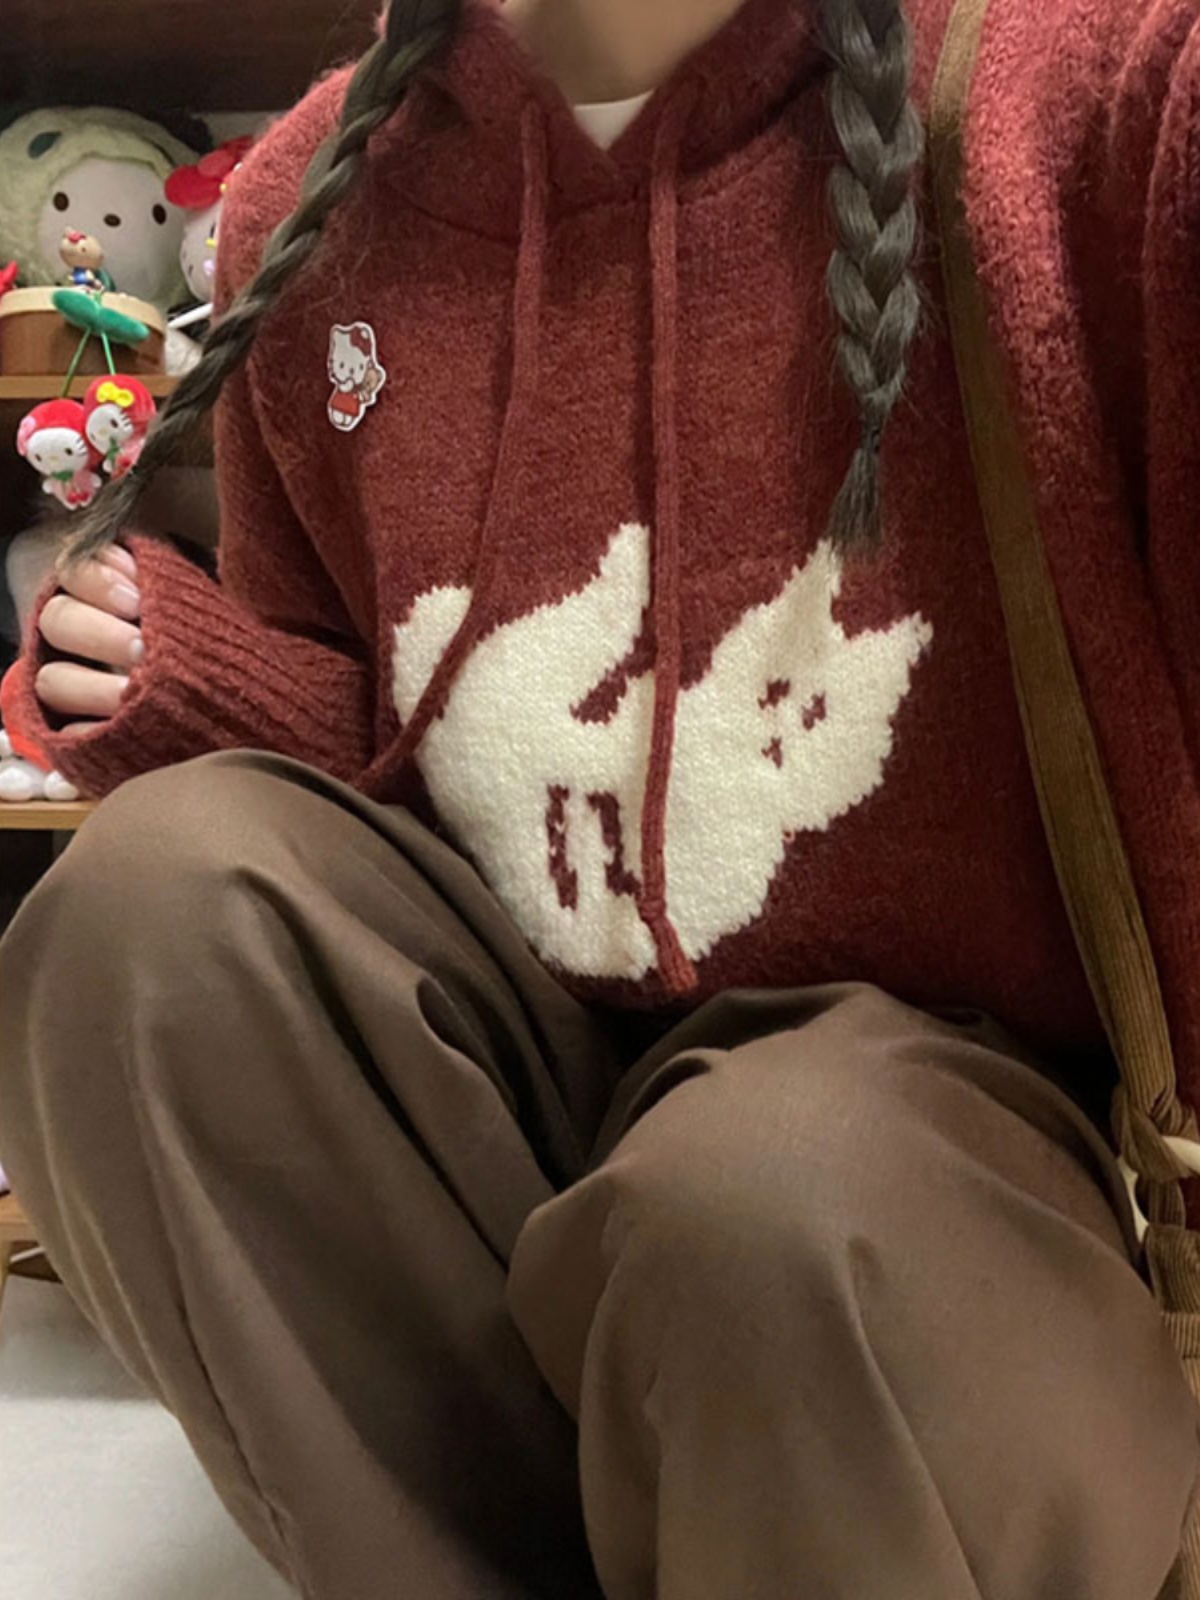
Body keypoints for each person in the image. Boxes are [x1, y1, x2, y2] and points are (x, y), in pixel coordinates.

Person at [2, 0, 1199, 1594]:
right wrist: (214, 689)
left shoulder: (1079, 81)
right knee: (142, 922)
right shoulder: (314, 194)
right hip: (531, 1066)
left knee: (777, 1205)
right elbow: (411, 739)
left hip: (968, 1162)